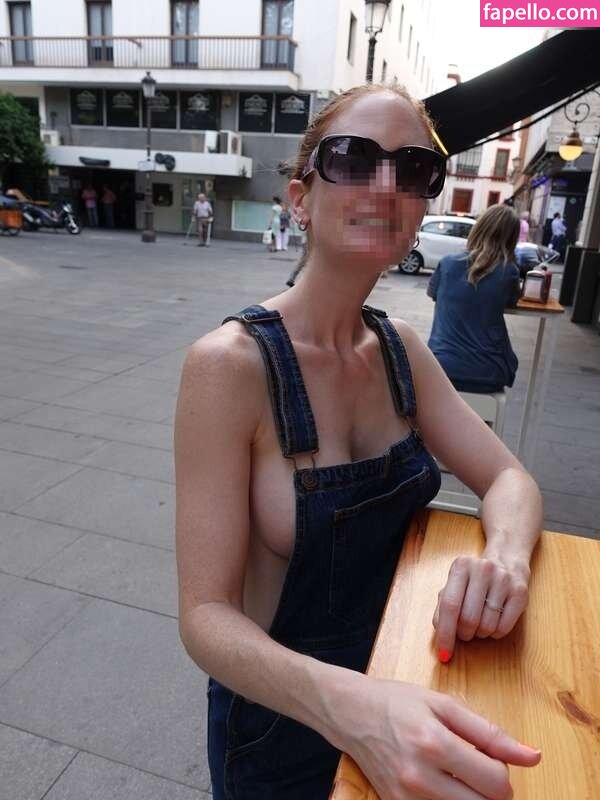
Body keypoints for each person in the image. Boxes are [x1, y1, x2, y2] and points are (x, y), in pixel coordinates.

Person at [175, 84, 543, 800]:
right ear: (300, 197)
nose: (386, 186)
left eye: (413, 169)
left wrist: (504, 560)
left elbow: (511, 481)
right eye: (353, 158)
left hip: (407, 682)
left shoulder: (401, 350)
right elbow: (205, 618)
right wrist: (358, 712)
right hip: (282, 727)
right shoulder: (230, 366)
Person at [427, 204, 521, 394]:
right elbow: (512, 301)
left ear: (478, 228)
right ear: (512, 239)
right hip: (487, 372)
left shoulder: (447, 263)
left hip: (439, 367)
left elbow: (433, 293)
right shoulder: (509, 272)